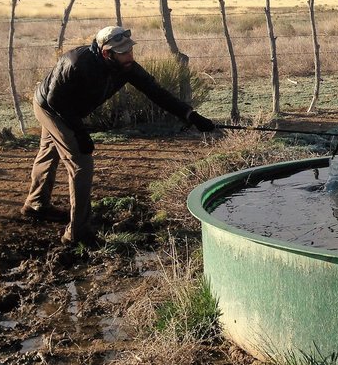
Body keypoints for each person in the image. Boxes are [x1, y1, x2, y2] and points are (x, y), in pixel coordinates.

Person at [21, 25, 215, 246]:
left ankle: (36, 205)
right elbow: (56, 100)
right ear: (106, 53)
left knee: (49, 152)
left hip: (69, 109)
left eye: (130, 50)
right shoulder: (76, 63)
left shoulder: (127, 67)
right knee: (81, 161)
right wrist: (80, 132)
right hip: (50, 107)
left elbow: (156, 92)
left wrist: (190, 114)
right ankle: (77, 232)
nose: (129, 55)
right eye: (123, 52)